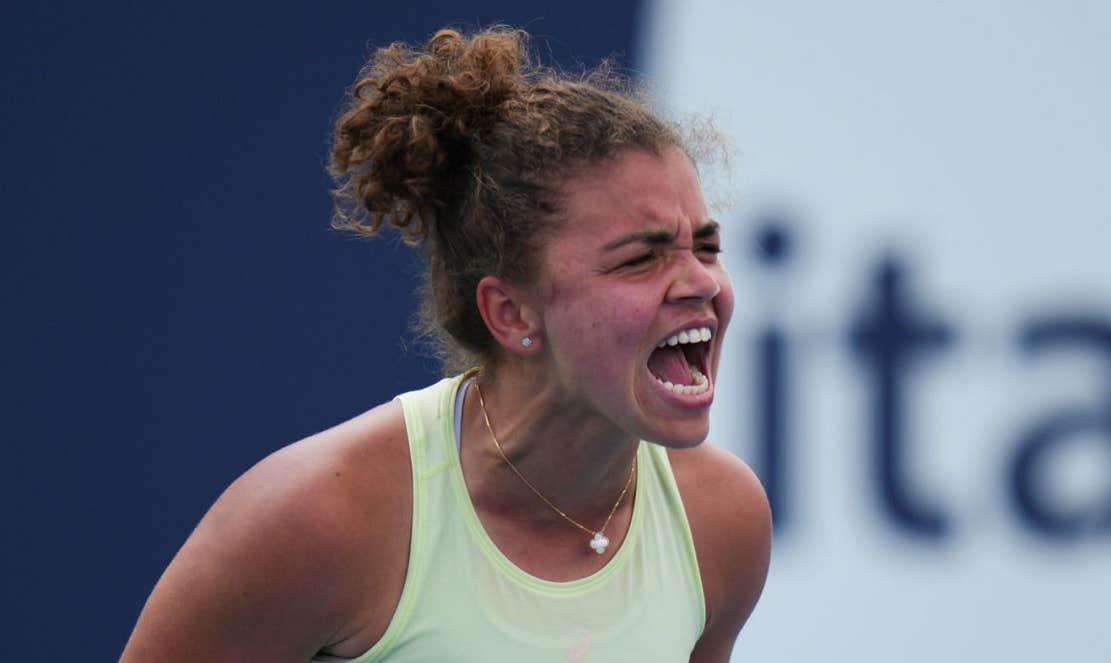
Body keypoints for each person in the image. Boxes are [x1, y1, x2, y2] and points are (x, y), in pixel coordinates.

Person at [120, 26, 770, 662]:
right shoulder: (317, 518)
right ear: (512, 312)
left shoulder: (721, 521)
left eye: (706, 247)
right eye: (639, 259)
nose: (701, 283)